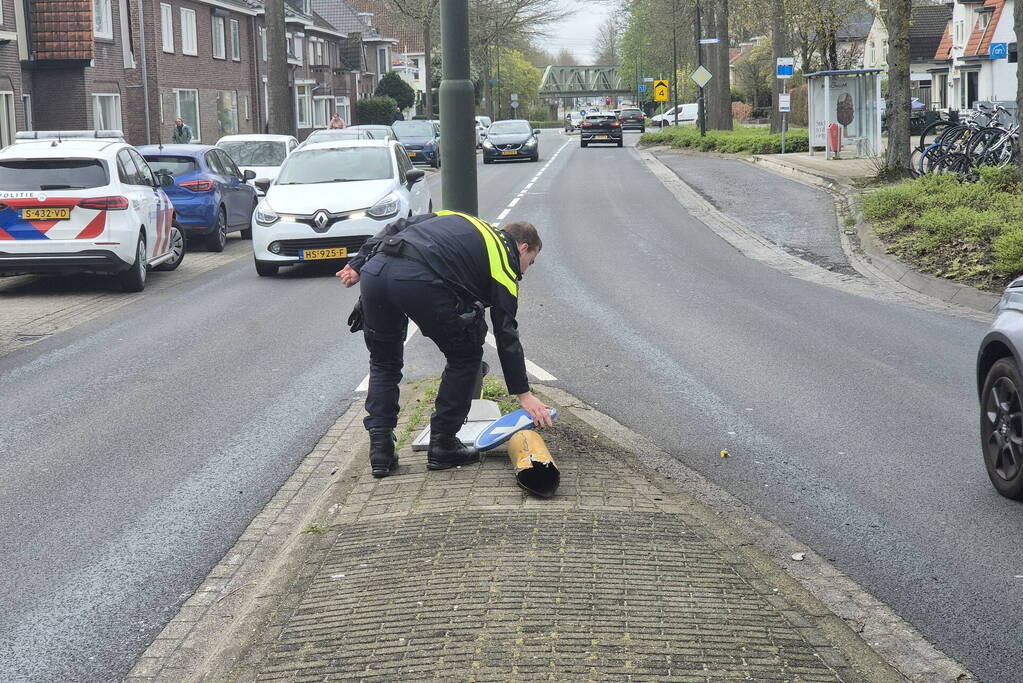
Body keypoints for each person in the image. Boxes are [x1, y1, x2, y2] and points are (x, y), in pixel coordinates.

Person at [337, 211, 553, 478]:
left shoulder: (460, 219)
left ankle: (380, 449)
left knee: (383, 361)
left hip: (375, 271)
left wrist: (358, 263)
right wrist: (524, 395)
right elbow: (506, 332)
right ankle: (443, 444)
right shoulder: (503, 259)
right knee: (466, 357)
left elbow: (398, 225)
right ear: (522, 248)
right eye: (530, 261)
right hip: (417, 279)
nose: (525, 270)